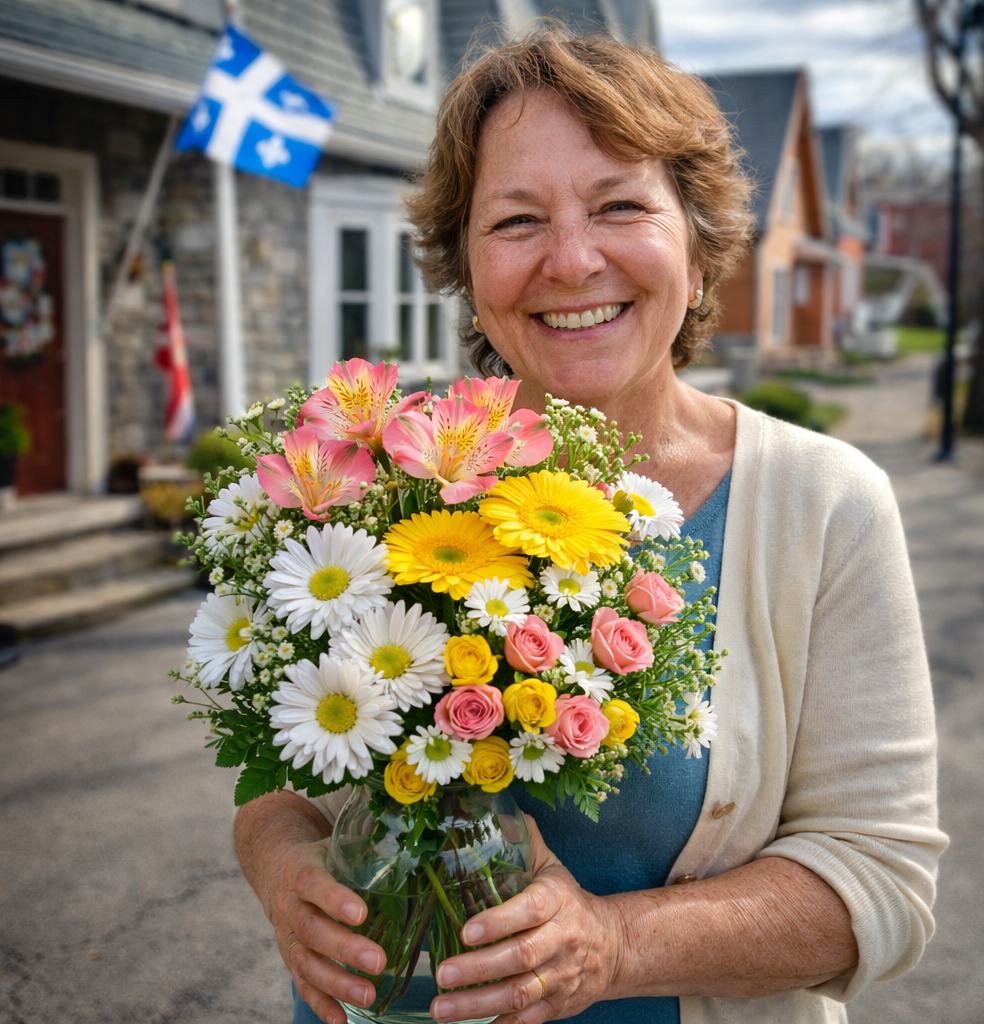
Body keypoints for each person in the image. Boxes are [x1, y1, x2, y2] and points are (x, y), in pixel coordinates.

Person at [234, 31, 946, 1024]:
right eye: (516, 219)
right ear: (468, 269)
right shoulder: (382, 476)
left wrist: (613, 944)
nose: (571, 260)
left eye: (620, 205)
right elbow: (282, 760)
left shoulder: (825, 504)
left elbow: (881, 877)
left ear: (698, 253)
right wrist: (278, 862)